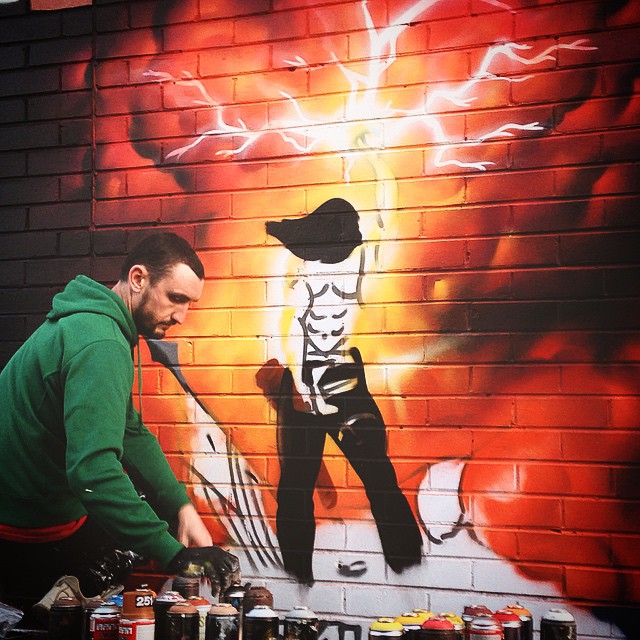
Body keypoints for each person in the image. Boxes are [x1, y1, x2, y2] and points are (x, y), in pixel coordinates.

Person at [0, 233, 239, 618]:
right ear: (138, 279)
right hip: (22, 525)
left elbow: (130, 430)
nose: (181, 316)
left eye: (189, 304)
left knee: (149, 516)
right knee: (129, 546)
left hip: (36, 506)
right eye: (176, 298)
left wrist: (181, 507)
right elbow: (94, 472)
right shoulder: (101, 342)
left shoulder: (97, 326)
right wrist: (175, 555)